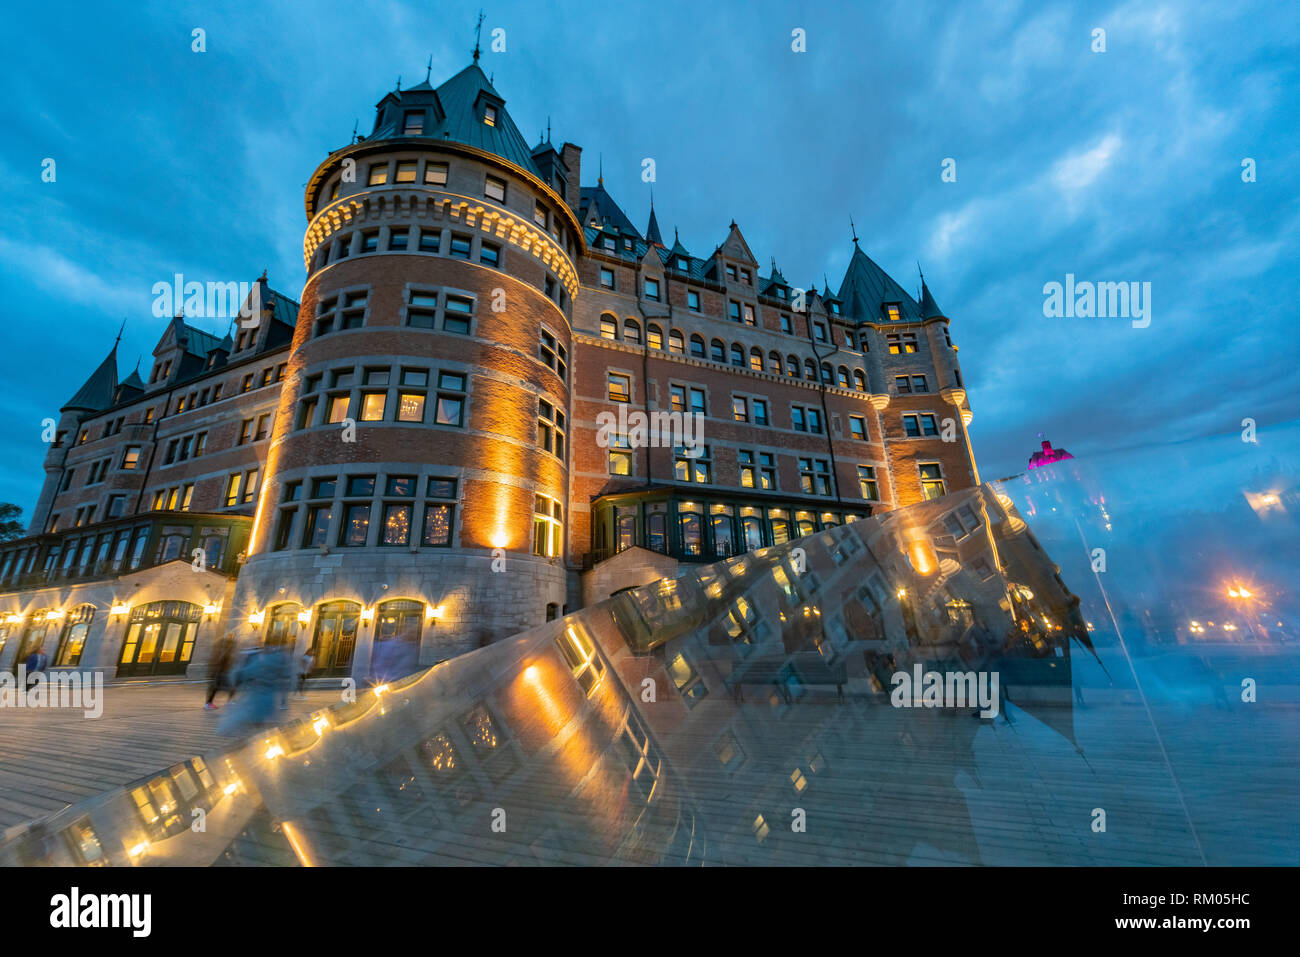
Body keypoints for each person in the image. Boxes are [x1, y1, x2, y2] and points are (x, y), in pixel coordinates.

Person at [205, 633, 237, 710]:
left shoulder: (225, 651)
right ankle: (209, 704)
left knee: (215, 688)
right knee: (218, 688)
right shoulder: (225, 652)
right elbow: (221, 662)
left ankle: (209, 703)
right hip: (221, 673)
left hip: (221, 672)